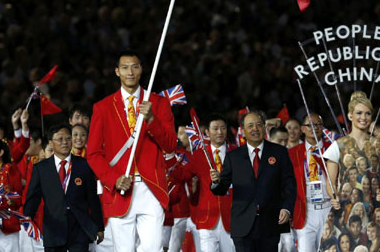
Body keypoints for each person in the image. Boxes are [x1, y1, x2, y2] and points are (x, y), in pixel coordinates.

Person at [86, 51, 176, 252]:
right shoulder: (103, 107)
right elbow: (92, 154)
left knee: (153, 249)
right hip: (120, 190)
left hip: (151, 188)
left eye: (135, 66)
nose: (130, 72)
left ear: (141, 70)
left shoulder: (159, 103)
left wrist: (152, 119)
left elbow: (170, 145)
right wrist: (113, 179)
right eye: (125, 67)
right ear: (117, 71)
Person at [210, 110, 296, 252]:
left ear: (264, 128)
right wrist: (216, 182)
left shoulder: (279, 152)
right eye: (250, 126)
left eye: (258, 125)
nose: (254, 129)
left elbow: (289, 184)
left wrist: (286, 208)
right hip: (242, 225)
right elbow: (221, 188)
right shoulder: (233, 156)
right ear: (243, 131)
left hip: (270, 223)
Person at [323, 92, 380, 251]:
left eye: (368, 113)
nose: (363, 117)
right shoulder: (338, 145)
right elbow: (330, 182)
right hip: (344, 211)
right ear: (350, 115)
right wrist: (333, 196)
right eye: (359, 113)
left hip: (375, 210)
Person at [24, 123, 104, 252]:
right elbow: (33, 197)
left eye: (68, 138)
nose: (65, 142)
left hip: (79, 228)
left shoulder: (84, 165)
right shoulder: (41, 168)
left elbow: (93, 198)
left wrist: (99, 227)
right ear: (51, 142)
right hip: (53, 229)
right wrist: (27, 217)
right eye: (60, 139)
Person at [172, 113, 235, 252]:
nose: (219, 132)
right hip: (207, 218)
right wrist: (169, 160)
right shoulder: (200, 155)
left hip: (231, 219)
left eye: (223, 128)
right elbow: (183, 175)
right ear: (207, 132)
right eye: (215, 128)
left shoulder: (236, 153)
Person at [288, 112, 332, 252]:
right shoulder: (292, 153)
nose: (315, 128)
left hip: (329, 207)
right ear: (302, 129)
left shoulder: (332, 148)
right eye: (310, 125)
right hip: (305, 210)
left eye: (318, 124)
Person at [269, 126, 296, 252]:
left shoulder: (289, 159)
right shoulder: (259, 158)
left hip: (284, 213)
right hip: (266, 214)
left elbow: (290, 187)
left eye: (286, 141)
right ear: (269, 139)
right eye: (280, 141)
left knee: (289, 246)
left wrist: (288, 208)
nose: (284, 144)